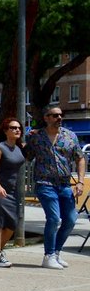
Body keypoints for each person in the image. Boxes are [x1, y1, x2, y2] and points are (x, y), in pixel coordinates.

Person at [26, 105, 86, 269]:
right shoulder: (36, 138)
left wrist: (80, 182)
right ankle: (48, 255)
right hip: (45, 183)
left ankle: (56, 253)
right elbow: (25, 156)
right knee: (53, 218)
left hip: (65, 184)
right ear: (46, 118)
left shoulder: (70, 136)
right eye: (54, 115)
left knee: (71, 220)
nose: (59, 118)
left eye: (60, 115)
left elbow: (80, 158)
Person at [0, 117, 25, 268]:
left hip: (13, 190)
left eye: (18, 128)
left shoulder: (19, 147)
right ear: (5, 131)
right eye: (12, 128)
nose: (17, 130)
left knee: (13, 223)